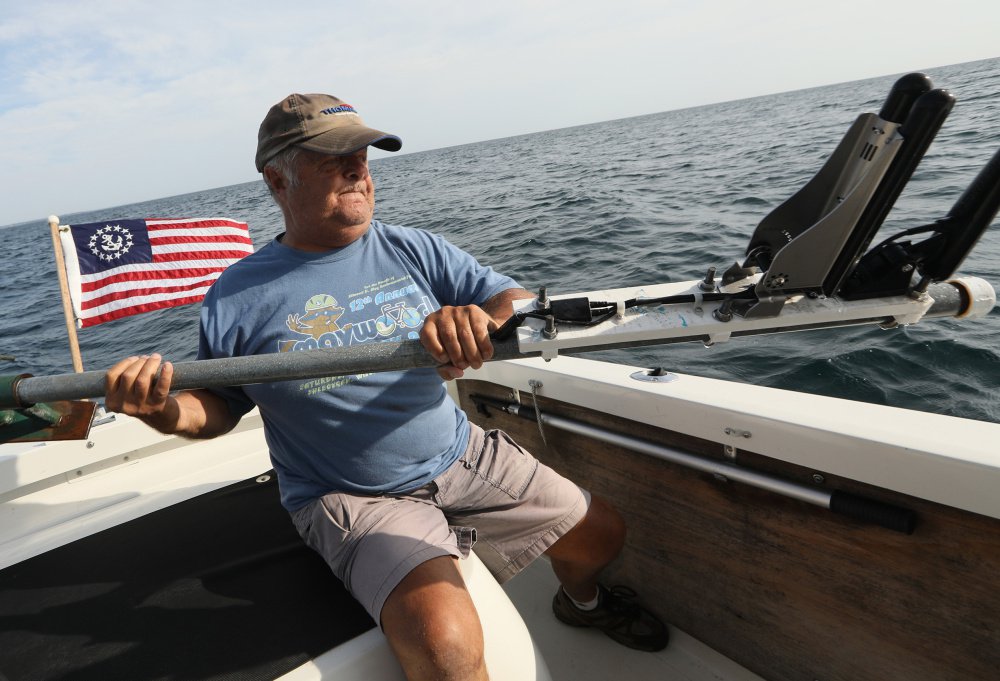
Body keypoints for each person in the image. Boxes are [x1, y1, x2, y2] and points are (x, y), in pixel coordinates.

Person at [104, 93, 668, 680]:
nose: (357, 170)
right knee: (446, 653)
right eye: (331, 159)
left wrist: (483, 322)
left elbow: (516, 298)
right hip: (353, 495)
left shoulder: (413, 248)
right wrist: (163, 409)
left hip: (460, 453)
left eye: (363, 156)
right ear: (277, 179)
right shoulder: (237, 296)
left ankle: (581, 604)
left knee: (601, 535)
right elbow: (218, 405)